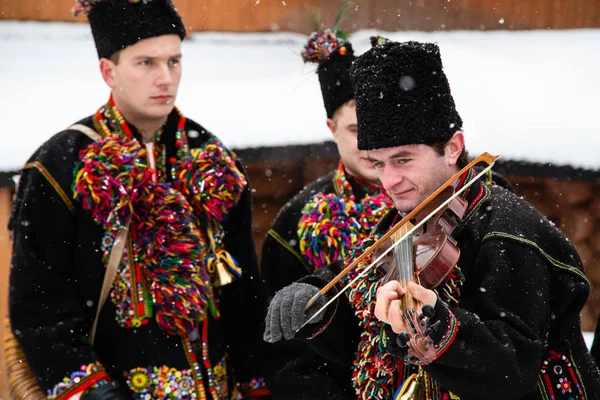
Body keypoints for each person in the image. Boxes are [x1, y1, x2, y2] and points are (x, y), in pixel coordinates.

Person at [264, 39, 600, 399]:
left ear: (453, 146)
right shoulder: (407, 218)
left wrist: (437, 327)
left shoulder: (508, 231)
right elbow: (366, 341)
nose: (388, 181)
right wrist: (317, 302)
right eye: (378, 164)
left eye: (403, 160)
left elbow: (512, 369)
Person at [8, 1, 269, 399]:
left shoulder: (213, 159)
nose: (166, 78)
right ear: (108, 72)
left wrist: (256, 384)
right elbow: (40, 308)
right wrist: (95, 391)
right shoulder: (59, 166)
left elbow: (242, 294)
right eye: (146, 63)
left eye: (174, 61)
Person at [259, 26, 395, 398]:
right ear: (331, 129)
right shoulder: (297, 218)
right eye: (355, 129)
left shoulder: (436, 198)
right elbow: (285, 352)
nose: (370, 143)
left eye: (380, 125)